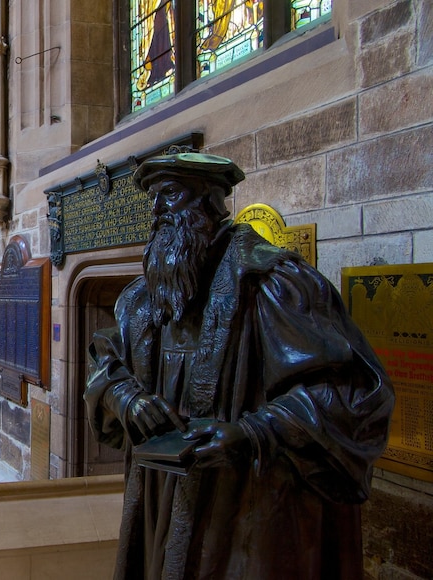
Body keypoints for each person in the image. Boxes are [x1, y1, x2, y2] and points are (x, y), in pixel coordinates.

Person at [85, 153, 394, 580]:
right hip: (161, 495)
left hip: (243, 506)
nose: (156, 212)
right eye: (152, 199)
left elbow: (349, 392)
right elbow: (105, 364)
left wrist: (253, 433)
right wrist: (126, 399)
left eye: (170, 195)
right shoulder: (144, 299)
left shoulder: (273, 284)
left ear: (210, 203)